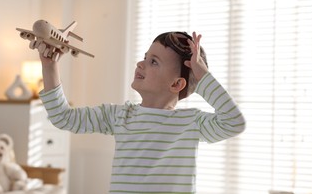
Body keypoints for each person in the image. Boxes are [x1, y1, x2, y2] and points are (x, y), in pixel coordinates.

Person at [38, 31, 246, 194]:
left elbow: (234, 122)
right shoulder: (118, 116)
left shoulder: (191, 122)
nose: (140, 63)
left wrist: (202, 76)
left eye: (153, 61)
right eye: (145, 57)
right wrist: (50, 66)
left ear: (176, 84)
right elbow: (63, 118)